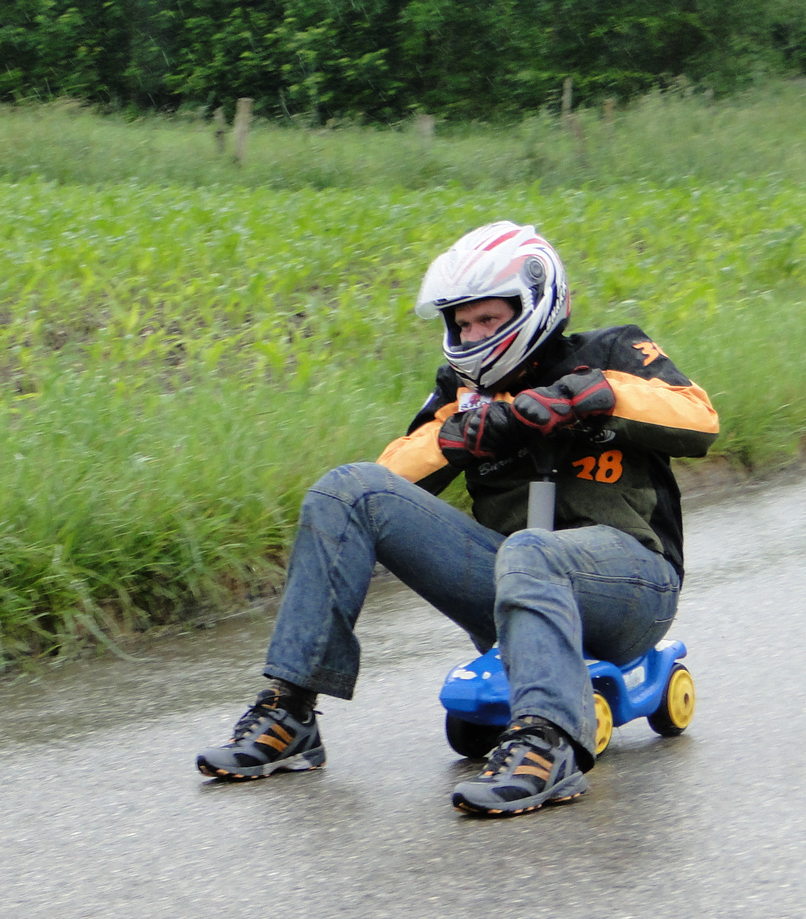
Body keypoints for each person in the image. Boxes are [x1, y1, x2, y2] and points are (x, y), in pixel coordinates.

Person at [195, 221, 719, 816]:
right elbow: (387, 483)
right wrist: (462, 436)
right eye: (463, 323)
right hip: (513, 589)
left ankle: (548, 746)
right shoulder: (462, 390)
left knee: (531, 549)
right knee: (345, 492)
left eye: (488, 320)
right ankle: (289, 713)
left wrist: (591, 396)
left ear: (534, 306)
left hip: (631, 588)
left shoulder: (612, 352)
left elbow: (699, 419)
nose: (472, 335)